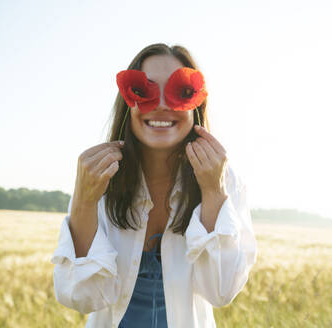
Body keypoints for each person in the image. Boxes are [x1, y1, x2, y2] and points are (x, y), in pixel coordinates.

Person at [50, 43, 258, 328]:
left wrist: (212, 191)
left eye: (180, 92)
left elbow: (221, 291)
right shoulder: (99, 178)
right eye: (143, 91)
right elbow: (81, 298)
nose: (161, 104)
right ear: (127, 103)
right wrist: (84, 202)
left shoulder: (224, 179)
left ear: (197, 105)